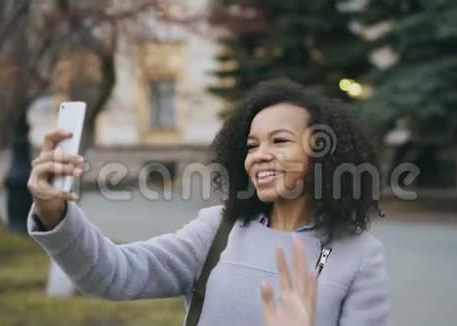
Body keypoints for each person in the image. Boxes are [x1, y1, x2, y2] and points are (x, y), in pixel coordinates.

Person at [27, 78, 389, 326]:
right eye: (251, 145)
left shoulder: (359, 256)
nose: (259, 156)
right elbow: (111, 274)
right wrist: (54, 212)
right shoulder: (219, 229)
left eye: (279, 141)